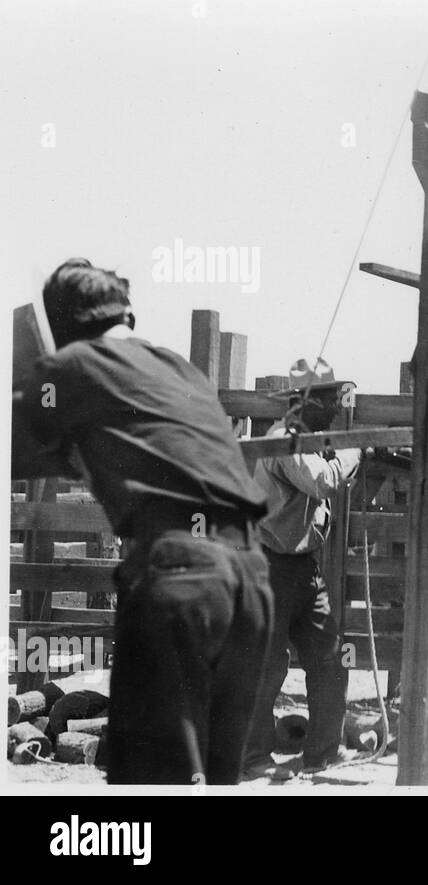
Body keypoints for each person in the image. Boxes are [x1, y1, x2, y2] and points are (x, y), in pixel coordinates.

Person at [14, 258, 272, 784]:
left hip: (180, 581)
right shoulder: (179, 368)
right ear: (125, 315)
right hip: (249, 583)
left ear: (63, 326)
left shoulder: (71, 368)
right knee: (217, 782)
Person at [243, 359, 362, 780]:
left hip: (300, 567)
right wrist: (354, 450)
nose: (334, 406)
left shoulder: (307, 440)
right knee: (266, 666)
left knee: (330, 658)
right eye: (328, 398)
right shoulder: (284, 441)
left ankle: (321, 754)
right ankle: (253, 758)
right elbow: (323, 483)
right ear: (305, 401)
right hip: (268, 567)